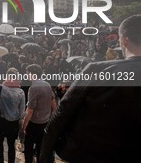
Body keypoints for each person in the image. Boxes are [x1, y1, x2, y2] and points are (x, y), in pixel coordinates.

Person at [40, 15, 141, 163]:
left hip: (84, 155)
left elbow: (61, 114)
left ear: (124, 40)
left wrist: (44, 157)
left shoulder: (97, 70)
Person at [21, 64, 57, 163]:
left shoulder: (33, 88)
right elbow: (54, 106)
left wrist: (24, 127)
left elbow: (30, 110)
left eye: (27, 73)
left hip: (34, 124)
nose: (26, 75)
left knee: (28, 148)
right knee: (40, 148)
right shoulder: (47, 85)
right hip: (45, 123)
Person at [0, 67, 25, 163]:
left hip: (1, 120)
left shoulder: (0, 87)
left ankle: (0, 160)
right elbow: (22, 113)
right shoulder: (21, 92)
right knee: (11, 144)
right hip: (13, 122)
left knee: (0, 141)